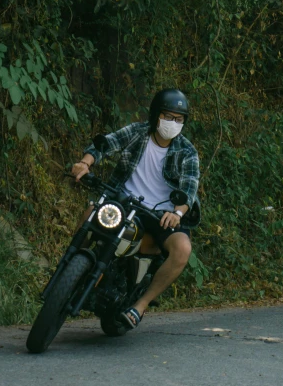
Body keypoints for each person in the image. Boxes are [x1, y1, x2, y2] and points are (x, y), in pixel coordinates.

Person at [70, 89, 201, 330]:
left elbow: (189, 189)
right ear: (155, 115)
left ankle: (140, 305)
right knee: (90, 213)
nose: (173, 123)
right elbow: (106, 144)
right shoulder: (137, 132)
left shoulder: (187, 151)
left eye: (179, 119)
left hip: (161, 215)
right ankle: (69, 271)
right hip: (123, 201)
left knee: (182, 249)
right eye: (168, 116)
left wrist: (177, 213)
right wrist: (85, 163)